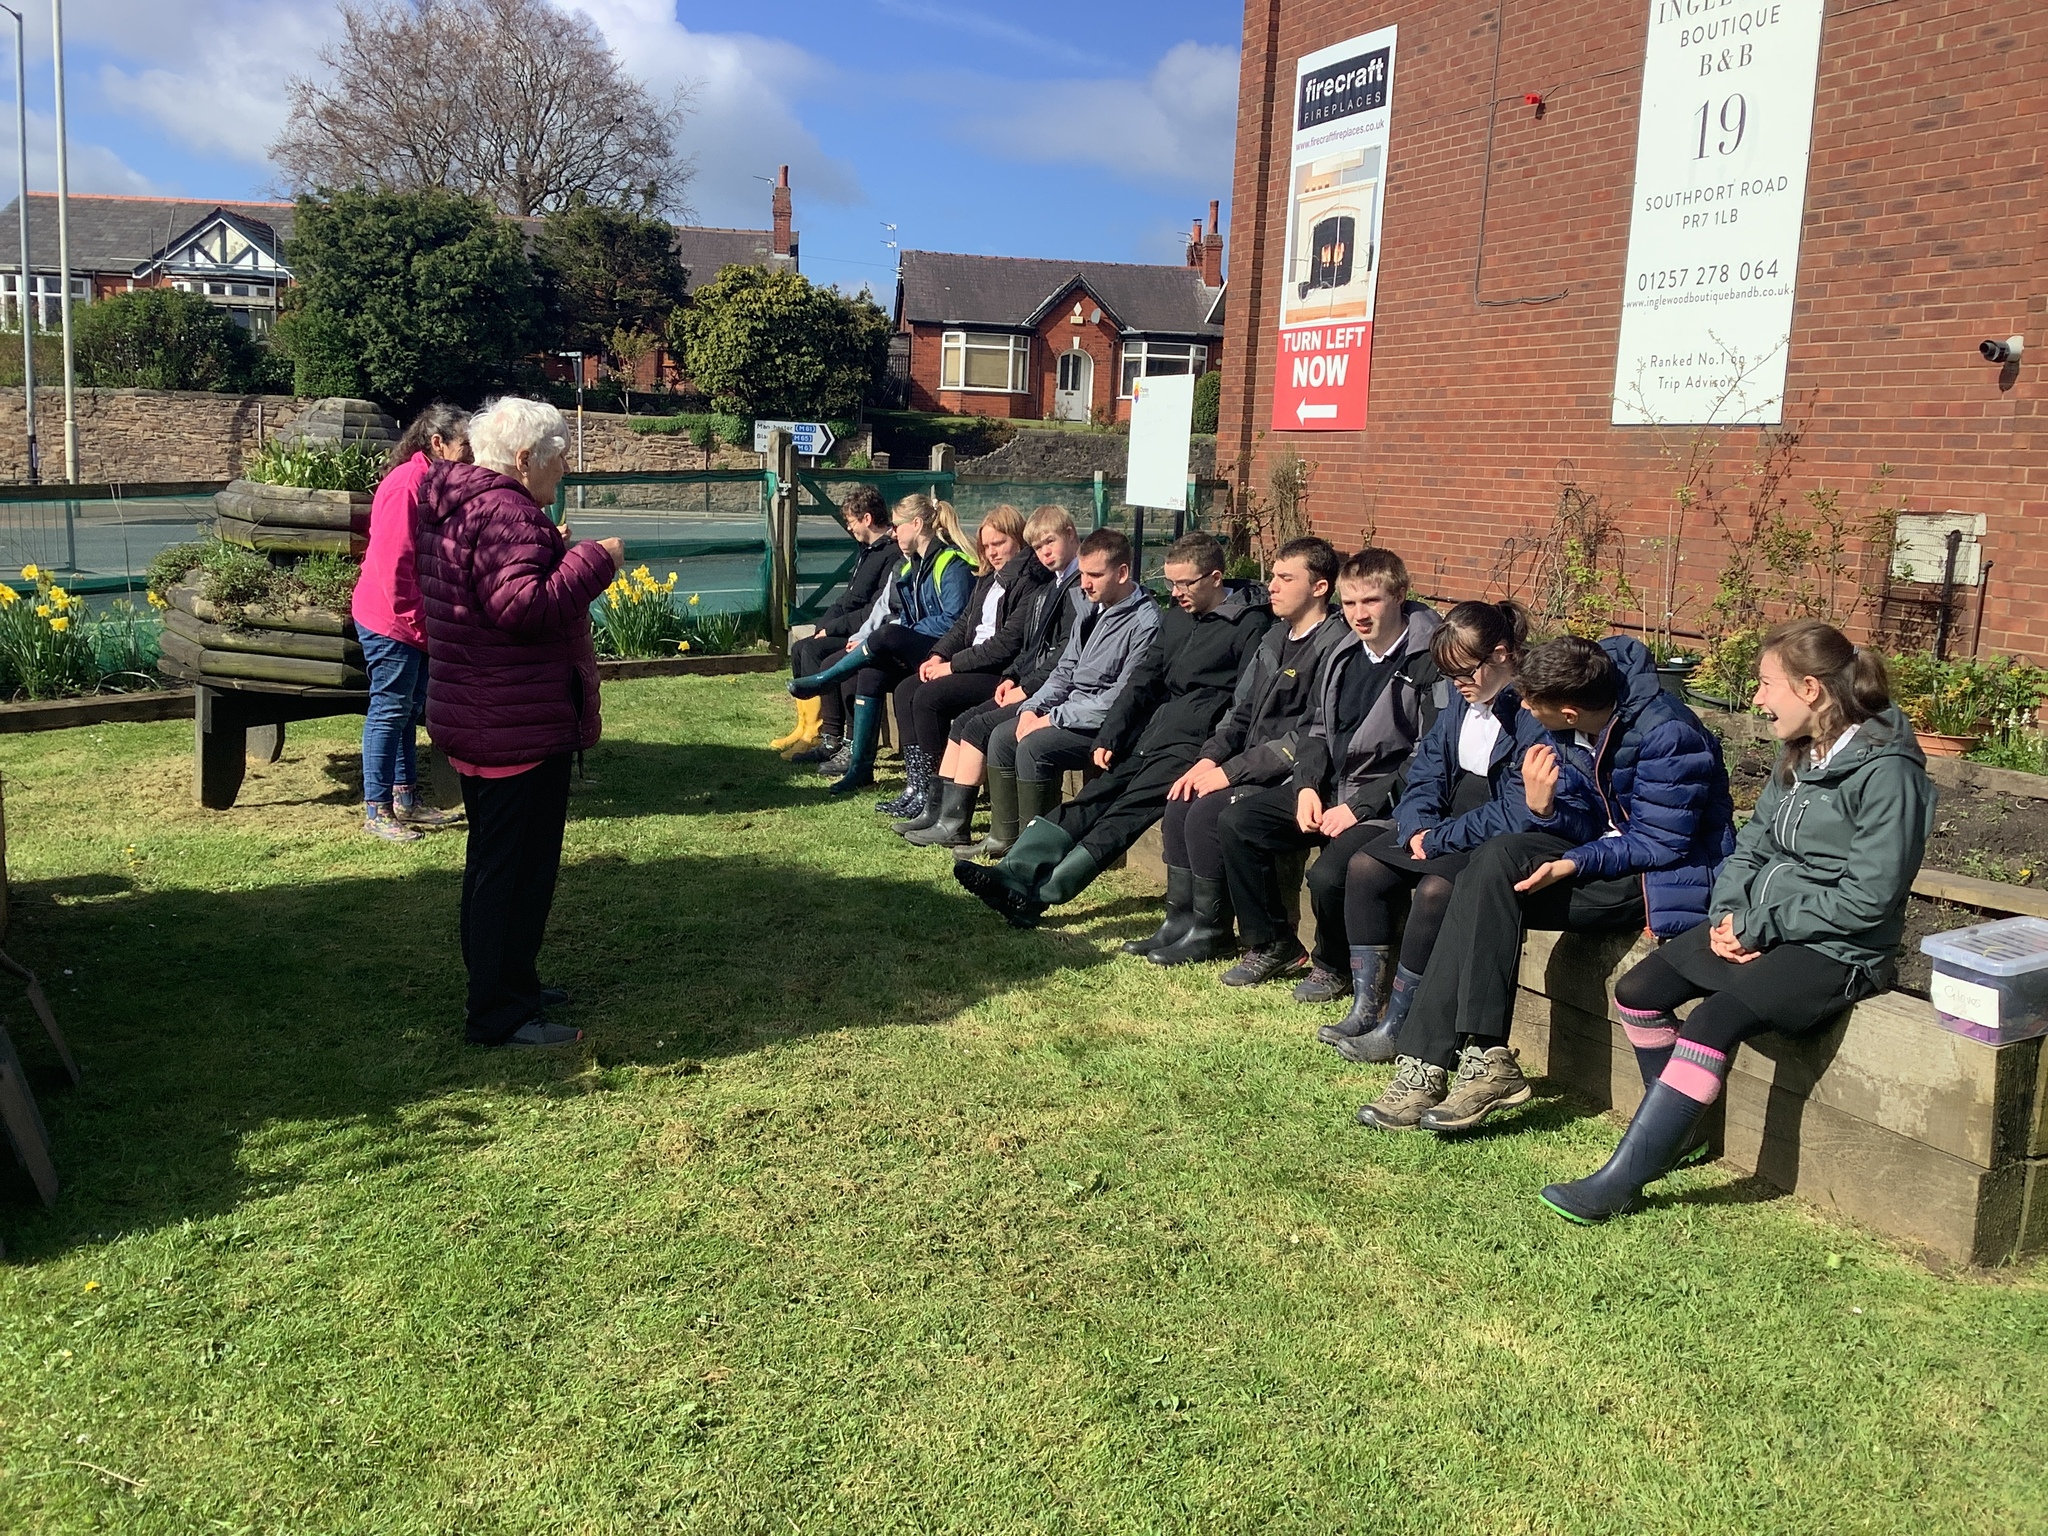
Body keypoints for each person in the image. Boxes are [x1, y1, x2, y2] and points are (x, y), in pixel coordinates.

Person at [1540, 620, 1934, 1222]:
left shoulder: (1889, 772)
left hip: (1840, 949)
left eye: (1766, 684)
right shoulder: (1800, 751)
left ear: (1809, 689)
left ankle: (1623, 1180)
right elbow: (1751, 846)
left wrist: (1760, 927)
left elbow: (1869, 900)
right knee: (1639, 991)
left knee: (1712, 1020)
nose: (1757, 698)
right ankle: (1677, 1134)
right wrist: (1729, 914)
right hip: (1763, 924)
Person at [1385, 634, 1736, 1134]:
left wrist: (1571, 864)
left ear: (1569, 712)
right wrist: (1543, 807)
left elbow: (1662, 844)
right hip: (1598, 856)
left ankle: (1467, 1057)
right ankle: (1455, 1061)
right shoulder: (1570, 725)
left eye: (1533, 704)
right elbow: (1584, 820)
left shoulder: (1669, 735)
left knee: (1480, 892)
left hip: (1655, 880)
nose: (1525, 710)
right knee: (1491, 864)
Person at [414, 397, 624, 1049]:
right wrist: (593, 560)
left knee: (495, 864)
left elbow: (492, 594)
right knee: (515, 872)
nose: (566, 468)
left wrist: (550, 551)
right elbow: (522, 608)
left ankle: (510, 982)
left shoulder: (461, 502)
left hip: (484, 710)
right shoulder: (508, 512)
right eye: (560, 456)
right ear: (526, 457)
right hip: (512, 722)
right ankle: (498, 1012)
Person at [955, 532, 1273, 929]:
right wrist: (1111, 734)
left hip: (1194, 746)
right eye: (1170, 583)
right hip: (1151, 731)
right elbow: (1143, 680)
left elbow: (1244, 703)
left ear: (1215, 578)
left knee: (1123, 814)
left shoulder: (1250, 625)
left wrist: (1212, 756)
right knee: (1091, 798)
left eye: (1184, 583)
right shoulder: (1177, 617)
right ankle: (1013, 872)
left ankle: (1040, 895)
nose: (1175, 593)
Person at [1333, 602, 1563, 1109]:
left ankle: (1402, 1024)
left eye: (1464, 672)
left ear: (1501, 654)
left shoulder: (1532, 711)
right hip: (1447, 822)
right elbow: (1428, 770)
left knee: (1437, 890)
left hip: (1493, 833)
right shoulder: (1462, 699)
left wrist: (1439, 839)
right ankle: (1368, 1007)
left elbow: (1517, 808)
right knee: (1366, 866)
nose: (1456, 684)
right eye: (1448, 674)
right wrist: (1418, 824)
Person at [1212, 550, 1444, 1011]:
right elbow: (1316, 729)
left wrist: (1358, 808)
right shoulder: (1344, 651)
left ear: (1400, 595)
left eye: (1371, 601)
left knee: (1327, 875)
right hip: (1330, 789)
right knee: (1238, 823)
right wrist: (1304, 787)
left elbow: (1427, 756)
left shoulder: (1428, 661)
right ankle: (1274, 943)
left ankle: (1333, 965)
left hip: (1387, 805)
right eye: (1350, 603)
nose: (1359, 614)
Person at [1130, 536, 1347, 966]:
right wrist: (1209, 759)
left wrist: (1231, 773)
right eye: (1273, 576)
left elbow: (1307, 735)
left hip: (1292, 774)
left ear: (1319, 587)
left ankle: (1213, 931)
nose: (1272, 586)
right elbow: (1240, 711)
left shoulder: (1334, 647)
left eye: (1285, 578)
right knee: (1180, 800)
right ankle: (1181, 919)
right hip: (1249, 763)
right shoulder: (1275, 636)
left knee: (1208, 814)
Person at [903, 508, 1086, 850]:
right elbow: (1030, 645)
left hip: (1051, 691)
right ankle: (940, 813)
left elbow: (1051, 650)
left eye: (1049, 542)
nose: (1045, 552)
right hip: (1024, 680)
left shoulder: (1065, 586)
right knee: (956, 717)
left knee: (977, 726)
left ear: (1071, 535)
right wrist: (1013, 676)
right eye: (1039, 546)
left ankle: (966, 826)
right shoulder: (1048, 583)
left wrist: (1024, 685)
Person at [788, 492, 976, 794]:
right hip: (921, 646)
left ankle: (827, 678)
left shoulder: (951, 564)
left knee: (889, 634)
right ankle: (861, 769)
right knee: (870, 672)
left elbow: (955, 621)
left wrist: (908, 631)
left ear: (917, 524)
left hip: (945, 650)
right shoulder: (911, 567)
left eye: (898, 525)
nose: (894, 532)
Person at [876, 505, 1048, 822]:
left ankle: (937, 796)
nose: (992, 552)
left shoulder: (1029, 582)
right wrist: (938, 655)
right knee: (906, 690)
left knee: (929, 697)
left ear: (1018, 539)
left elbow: (1006, 643)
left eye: (999, 543)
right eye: (986, 545)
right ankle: (919, 786)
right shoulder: (988, 577)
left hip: (999, 672)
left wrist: (952, 666)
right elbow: (962, 625)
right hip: (973, 663)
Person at [354, 403, 473, 843]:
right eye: (466, 445)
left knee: (405, 710)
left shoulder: (433, 481)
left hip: (412, 620)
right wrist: (418, 625)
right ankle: (377, 810)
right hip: (391, 620)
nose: (472, 454)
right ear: (438, 443)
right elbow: (395, 563)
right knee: (388, 710)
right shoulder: (407, 484)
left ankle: (405, 799)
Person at [778, 486, 899, 763]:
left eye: (851, 521)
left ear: (867, 518)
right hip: (849, 625)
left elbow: (874, 610)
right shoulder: (867, 550)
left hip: (864, 632)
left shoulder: (890, 554)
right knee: (800, 648)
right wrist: (823, 625)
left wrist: (834, 629)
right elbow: (848, 599)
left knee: (816, 652)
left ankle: (825, 734)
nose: (849, 527)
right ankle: (805, 726)